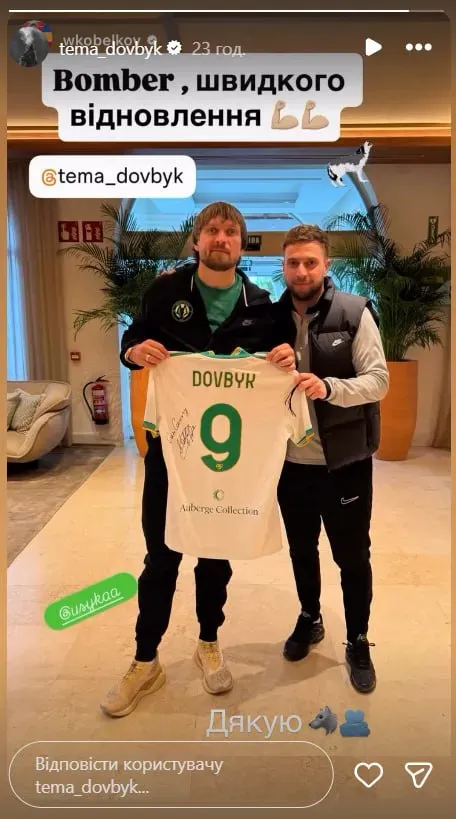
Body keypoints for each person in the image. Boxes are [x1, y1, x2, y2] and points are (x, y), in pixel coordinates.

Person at [101, 202, 295, 717]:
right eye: (211, 230)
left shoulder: (262, 304)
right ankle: (145, 660)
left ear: (242, 244)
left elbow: (282, 357)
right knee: (160, 556)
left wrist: (286, 357)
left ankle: (209, 640)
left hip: (231, 464)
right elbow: (130, 340)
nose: (220, 238)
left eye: (230, 231)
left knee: (216, 554)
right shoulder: (164, 293)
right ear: (196, 240)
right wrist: (134, 352)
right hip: (172, 452)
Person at [275, 224, 389, 693]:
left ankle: (358, 638)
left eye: (310, 262)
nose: (301, 271)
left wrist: (328, 388)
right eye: (293, 262)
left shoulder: (354, 312)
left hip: (344, 462)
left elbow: (378, 380)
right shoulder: (269, 317)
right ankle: (310, 616)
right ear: (283, 266)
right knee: (301, 549)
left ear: (326, 265)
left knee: (352, 555)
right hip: (289, 464)